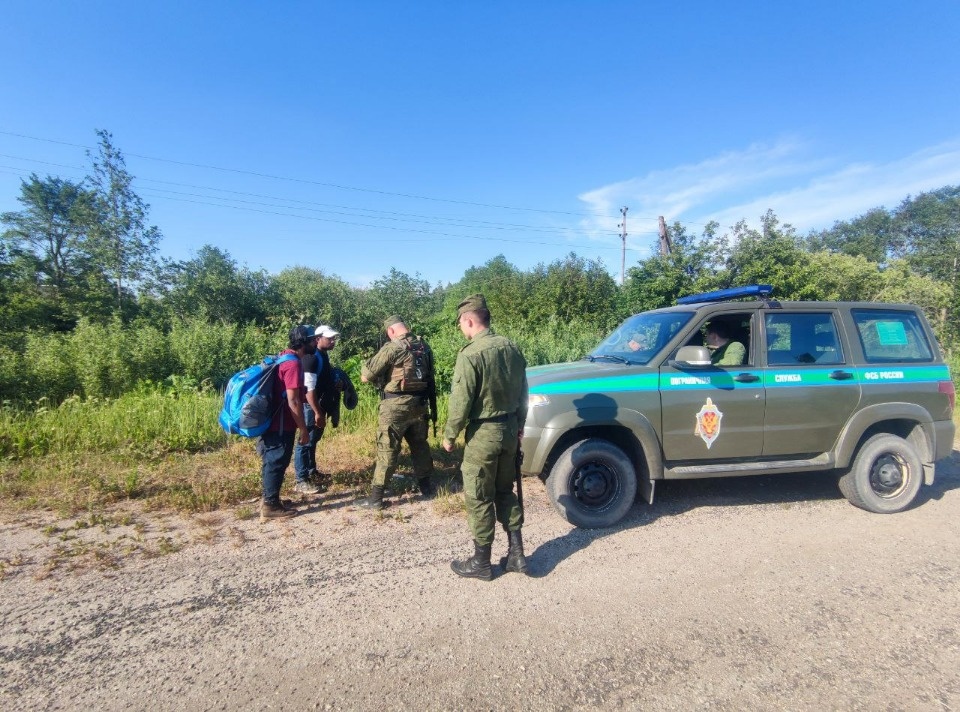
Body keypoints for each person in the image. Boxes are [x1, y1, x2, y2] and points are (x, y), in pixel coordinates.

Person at [443, 294, 529, 580]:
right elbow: (523, 393)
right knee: (506, 491)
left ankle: (481, 563)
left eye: (460, 324)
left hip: (484, 434)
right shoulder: (511, 347)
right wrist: (519, 426)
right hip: (508, 432)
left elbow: (461, 401)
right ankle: (517, 554)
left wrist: (450, 434)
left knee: (479, 496)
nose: (460, 329)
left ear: (469, 320)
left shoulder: (470, 354)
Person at [358, 315, 437, 509]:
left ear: (390, 331)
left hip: (395, 407)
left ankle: (376, 499)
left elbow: (366, 377)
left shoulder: (392, 347)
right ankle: (427, 489)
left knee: (388, 449)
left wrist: (365, 365)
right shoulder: (424, 347)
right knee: (420, 446)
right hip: (419, 404)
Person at [258, 325, 313, 521]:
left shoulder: (284, 357)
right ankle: (270, 505)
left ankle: (271, 499)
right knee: (277, 461)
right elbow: (294, 400)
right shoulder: (293, 364)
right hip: (281, 423)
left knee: (272, 460)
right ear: (304, 341)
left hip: (272, 421)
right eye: (313, 339)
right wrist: (303, 429)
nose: (316, 342)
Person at [293, 324, 341, 494]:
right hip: (311, 408)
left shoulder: (322, 356)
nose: (333, 341)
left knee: (313, 441)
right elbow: (309, 390)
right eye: (329, 338)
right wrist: (317, 412)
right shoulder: (311, 359)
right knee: (304, 442)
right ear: (317, 339)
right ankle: (301, 479)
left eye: (334, 338)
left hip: (319, 407)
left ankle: (312, 471)